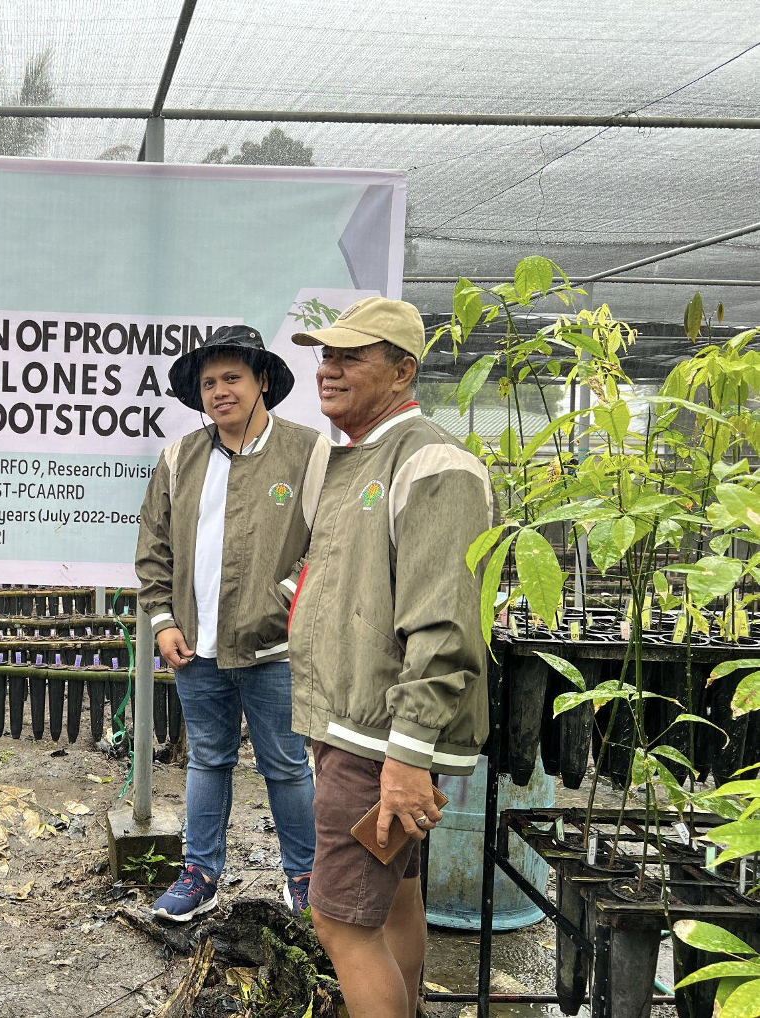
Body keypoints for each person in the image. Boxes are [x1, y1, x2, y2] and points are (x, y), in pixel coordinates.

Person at [288, 297, 492, 1018]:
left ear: (404, 370)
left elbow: (444, 625)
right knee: (395, 893)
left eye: (351, 357)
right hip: (352, 722)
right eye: (326, 356)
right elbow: (340, 575)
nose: (329, 370)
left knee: (340, 921)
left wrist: (407, 759)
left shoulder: (433, 463)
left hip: (377, 737)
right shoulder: (353, 457)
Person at [133, 325, 330, 921]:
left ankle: (304, 879)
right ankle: (199, 874)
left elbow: (330, 541)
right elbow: (154, 546)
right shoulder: (179, 459)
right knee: (209, 759)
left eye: (233, 378)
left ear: (261, 381)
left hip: (277, 650)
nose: (220, 391)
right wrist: (164, 620)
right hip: (198, 649)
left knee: (288, 765)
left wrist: (286, 600)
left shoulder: (307, 451)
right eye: (209, 381)